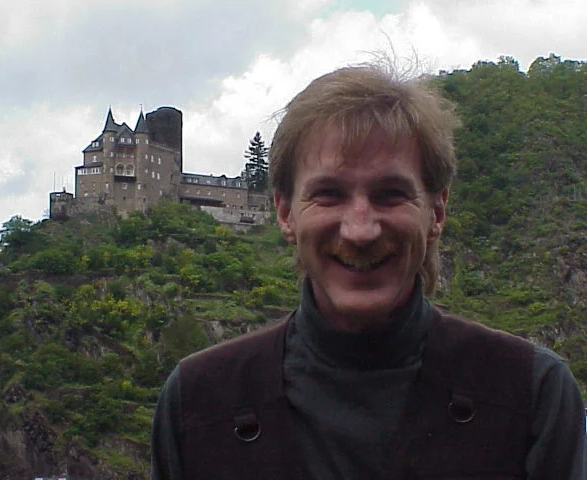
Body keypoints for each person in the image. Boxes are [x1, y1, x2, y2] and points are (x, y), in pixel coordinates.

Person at [152, 64, 586, 479]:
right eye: (329, 194)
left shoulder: (532, 395)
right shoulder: (197, 403)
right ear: (285, 212)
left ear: (436, 211)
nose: (360, 230)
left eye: (390, 194)